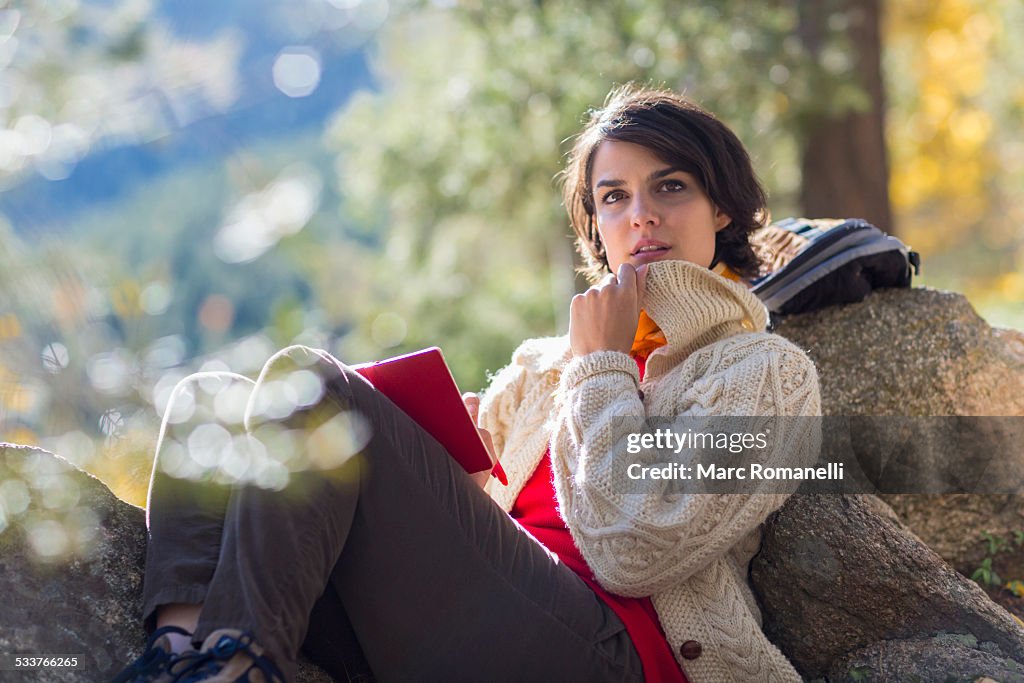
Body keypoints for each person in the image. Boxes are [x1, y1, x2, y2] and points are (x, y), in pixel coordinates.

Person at [113, 84, 821, 683]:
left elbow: (634, 550)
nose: (640, 215)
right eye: (613, 196)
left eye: (670, 186)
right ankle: (182, 652)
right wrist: (453, 477)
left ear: (721, 207)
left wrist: (601, 366)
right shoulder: (543, 363)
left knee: (307, 381)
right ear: (596, 224)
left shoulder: (763, 372)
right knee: (207, 397)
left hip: (609, 650)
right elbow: (491, 530)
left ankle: (240, 664)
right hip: (462, 621)